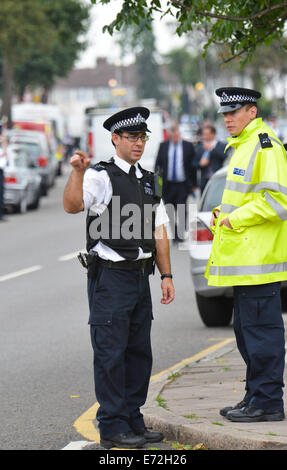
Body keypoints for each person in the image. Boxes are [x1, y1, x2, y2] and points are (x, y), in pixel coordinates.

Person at [63, 107, 175, 449]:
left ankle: (132, 418)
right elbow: (71, 206)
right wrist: (77, 173)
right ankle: (112, 426)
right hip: (111, 278)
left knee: (139, 352)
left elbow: (159, 229)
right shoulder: (100, 176)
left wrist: (166, 274)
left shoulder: (148, 178)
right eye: (132, 137)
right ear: (116, 139)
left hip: (141, 277)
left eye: (143, 137)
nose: (139, 143)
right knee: (111, 353)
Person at [205, 87, 287, 423]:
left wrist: (233, 218)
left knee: (262, 336)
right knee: (247, 335)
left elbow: (278, 201)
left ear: (252, 112)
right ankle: (256, 395)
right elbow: (246, 197)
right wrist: (220, 215)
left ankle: (268, 402)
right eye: (224, 113)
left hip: (259, 264)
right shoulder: (243, 146)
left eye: (234, 112)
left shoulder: (264, 144)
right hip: (246, 264)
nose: (227, 119)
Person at [154, 121, 196, 242]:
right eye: (172, 134)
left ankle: (181, 233)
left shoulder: (188, 146)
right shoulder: (163, 146)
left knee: (182, 209)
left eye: (177, 133)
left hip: (183, 184)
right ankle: (175, 234)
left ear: (179, 132)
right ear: (169, 135)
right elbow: (158, 166)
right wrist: (157, 185)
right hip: (168, 185)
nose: (175, 136)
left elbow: (193, 167)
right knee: (169, 210)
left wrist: (194, 184)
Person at [194, 125, 227, 194]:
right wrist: (200, 164)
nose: (205, 136)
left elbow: (224, 157)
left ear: (213, 134)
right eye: (203, 134)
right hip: (204, 181)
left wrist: (211, 149)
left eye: (207, 134)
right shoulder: (200, 147)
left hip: (218, 180)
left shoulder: (222, 145)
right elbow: (194, 164)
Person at [0, 125, 7, 222]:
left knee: (1, 192)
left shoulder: (2, 139)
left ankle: (1, 214)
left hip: (0, 170)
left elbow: (4, 153)